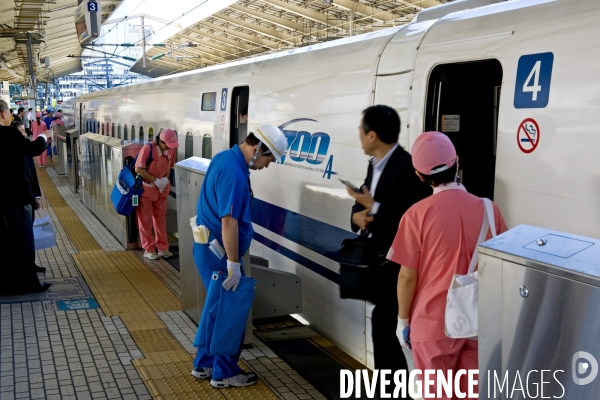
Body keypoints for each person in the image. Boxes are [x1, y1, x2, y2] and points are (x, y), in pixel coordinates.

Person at [388, 131, 508, 398]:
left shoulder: (415, 215)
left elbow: (407, 278)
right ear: (457, 163)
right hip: (479, 319)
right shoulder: (490, 209)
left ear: (420, 176)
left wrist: (402, 320)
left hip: (433, 324)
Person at [191, 125, 287, 388]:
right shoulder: (234, 173)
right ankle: (225, 373)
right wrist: (233, 264)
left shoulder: (225, 157)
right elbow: (229, 222)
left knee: (214, 308)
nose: (268, 165)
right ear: (257, 149)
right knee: (228, 312)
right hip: (220, 253)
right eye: (269, 159)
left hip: (207, 247)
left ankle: (205, 363)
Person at [347, 105, 431, 383]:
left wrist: (376, 207)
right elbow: (363, 204)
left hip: (399, 269)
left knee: (384, 330)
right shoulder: (375, 166)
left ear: (373, 136)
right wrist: (359, 216)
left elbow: (414, 220)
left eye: (361, 131)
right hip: (380, 267)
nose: (358, 136)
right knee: (383, 332)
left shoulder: (408, 169)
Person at [0, 99, 51, 294]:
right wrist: (44, 138)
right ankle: (29, 282)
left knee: (6, 241)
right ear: (4, 113)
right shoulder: (8, 132)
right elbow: (31, 150)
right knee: (23, 240)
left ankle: (8, 283)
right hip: (16, 197)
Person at [134, 129, 179, 260]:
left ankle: (163, 248)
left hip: (162, 189)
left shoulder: (171, 149)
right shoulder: (148, 149)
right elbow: (138, 169)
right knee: (145, 220)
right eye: (166, 145)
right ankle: (148, 249)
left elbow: (169, 166)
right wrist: (155, 180)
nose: (169, 148)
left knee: (160, 218)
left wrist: (165, 180)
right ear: (160, 141)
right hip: (147, 188)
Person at [12, 121, 46, 273]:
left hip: (29, 198)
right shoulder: (16, 151)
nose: (25, 134)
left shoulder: (25, 151)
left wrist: (37, 195)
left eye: (24, 132)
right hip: (19, 200)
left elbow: (33, 175)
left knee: (28, 232)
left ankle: (30, 264)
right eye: (21, 132)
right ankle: (26, 268)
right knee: (23, 235)